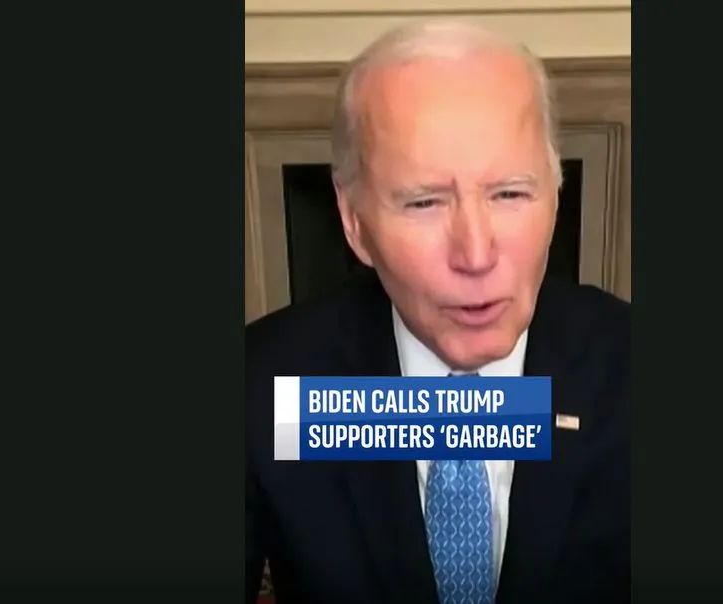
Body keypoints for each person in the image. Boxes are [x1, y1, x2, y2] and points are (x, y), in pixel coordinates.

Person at [246, 20, 629, 604]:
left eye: (510, 193)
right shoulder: (264, 384)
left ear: (555, 197)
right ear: (353, 221)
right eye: (424, 202)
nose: (475, 255)